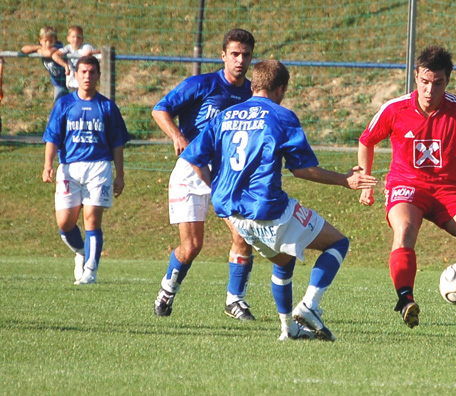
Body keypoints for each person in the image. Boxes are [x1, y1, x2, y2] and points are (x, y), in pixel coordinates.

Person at [182, 59, 379, 341]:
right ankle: (309, 306)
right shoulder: (281, 116)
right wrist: (344, 180)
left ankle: (288, 329)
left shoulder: (224, 116)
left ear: (253, 86)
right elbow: (302, 169)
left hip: (237, 217)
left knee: (284, 261)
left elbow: (193, 157)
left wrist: (216, 190)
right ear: (281, 89)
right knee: (337, 243)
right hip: (270, 210)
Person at [357, 46, 456, 343]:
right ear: (415, 76)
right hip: (407, 186)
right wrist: (366, 183)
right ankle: (406, 299)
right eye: (425, 81)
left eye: (438, 83)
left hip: (450, 191)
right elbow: (367, 140)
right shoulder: (395, 109)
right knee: (404, 229)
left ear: (448, 81)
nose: (430, 90)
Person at [152, 28, 258, 321]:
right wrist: (176, 135)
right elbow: (160, 110)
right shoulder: (201, 84)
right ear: (223, 55)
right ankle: (167, 290)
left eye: (245, 55)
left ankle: (235, 300)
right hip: (191, 169)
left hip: (229, 173)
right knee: (192, 246)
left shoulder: (252, 93)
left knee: (242, 234)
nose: (240, 60)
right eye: (234, 54)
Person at [42, 56, 130, 285]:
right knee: (64, 223)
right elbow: (52, 137)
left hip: (99, 167)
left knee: (92, 219)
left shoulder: (107, 107)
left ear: (98, 75)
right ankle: (82, 251)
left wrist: (120, 174)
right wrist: (47, 165)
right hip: (70, 167)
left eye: (92, 72)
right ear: (75, 74)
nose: (87, 76)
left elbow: (117, 143)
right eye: (83, 72)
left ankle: (90, 270)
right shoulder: (64, 104)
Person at [21, 26, 69, 102]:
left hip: (69, 80)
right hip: (58, 83)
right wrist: (38, 47)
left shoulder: (58, 46)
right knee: (59, 105)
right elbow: (23, 49)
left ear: (55, 40)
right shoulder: (41, 47)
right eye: (45, 41)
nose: (48, 43)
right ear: (40, 41)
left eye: (51, 41)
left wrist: (39, 51)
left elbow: (48, 53)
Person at [52, 25, 101, 91]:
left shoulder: (87, 47)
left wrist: (91, 52)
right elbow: (55, 55)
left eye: (78, 37)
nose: (76, 39)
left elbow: (102, 53)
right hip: (72, 83)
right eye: (73, 37)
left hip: (85, 83)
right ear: (68, 38)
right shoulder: (68, 48)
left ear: (82, 38)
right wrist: (65, 66)